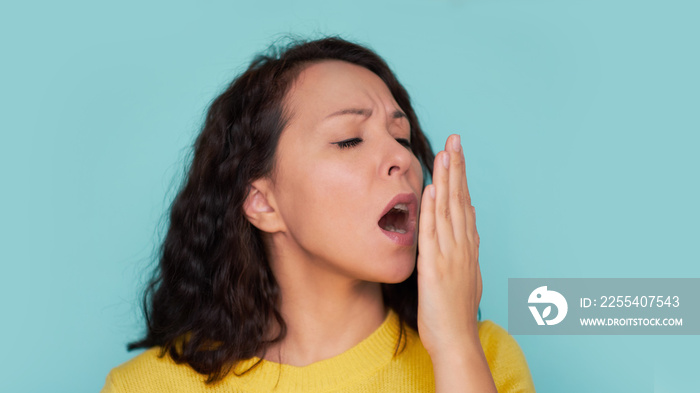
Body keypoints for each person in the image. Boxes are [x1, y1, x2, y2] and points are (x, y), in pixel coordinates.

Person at [101, 36, 536, 392]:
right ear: (262, 202)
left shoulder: (485, 358)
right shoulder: (145, 386)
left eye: (401, 138)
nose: (401, 159)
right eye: (349, 139)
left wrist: (456, 345)